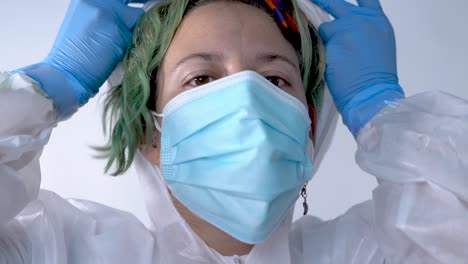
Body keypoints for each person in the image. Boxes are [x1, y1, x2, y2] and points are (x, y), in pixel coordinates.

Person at [0, 0, 467, 263]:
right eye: (201, 79)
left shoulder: (370, 254)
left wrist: (378, 106)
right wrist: (48, 86)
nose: (246, 99)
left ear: (308, 124)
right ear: (150, 130)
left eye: (275, 79)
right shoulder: (60, 249)